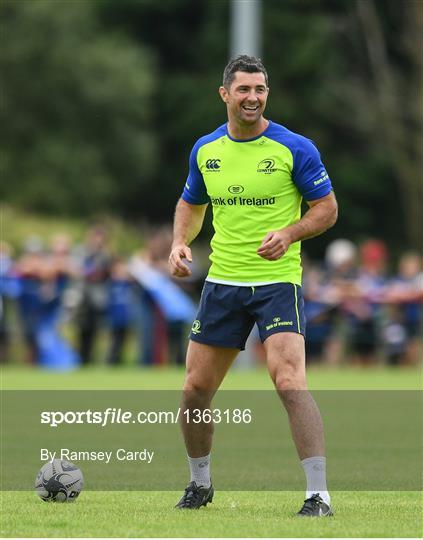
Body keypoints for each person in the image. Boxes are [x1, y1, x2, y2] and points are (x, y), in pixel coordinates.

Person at [169, 55, 338, 516]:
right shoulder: (206, 150)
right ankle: (199, 485)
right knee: (194, 391)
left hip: (277, 284)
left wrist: (289, 233)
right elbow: (191, 201)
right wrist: (180, 243)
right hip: (222, 283)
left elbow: (326, 209)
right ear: (225, 94)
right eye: (243, 89)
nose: (252, 97)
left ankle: (318, 495)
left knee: (289, 383)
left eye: (260, 89)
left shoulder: (294, 148)